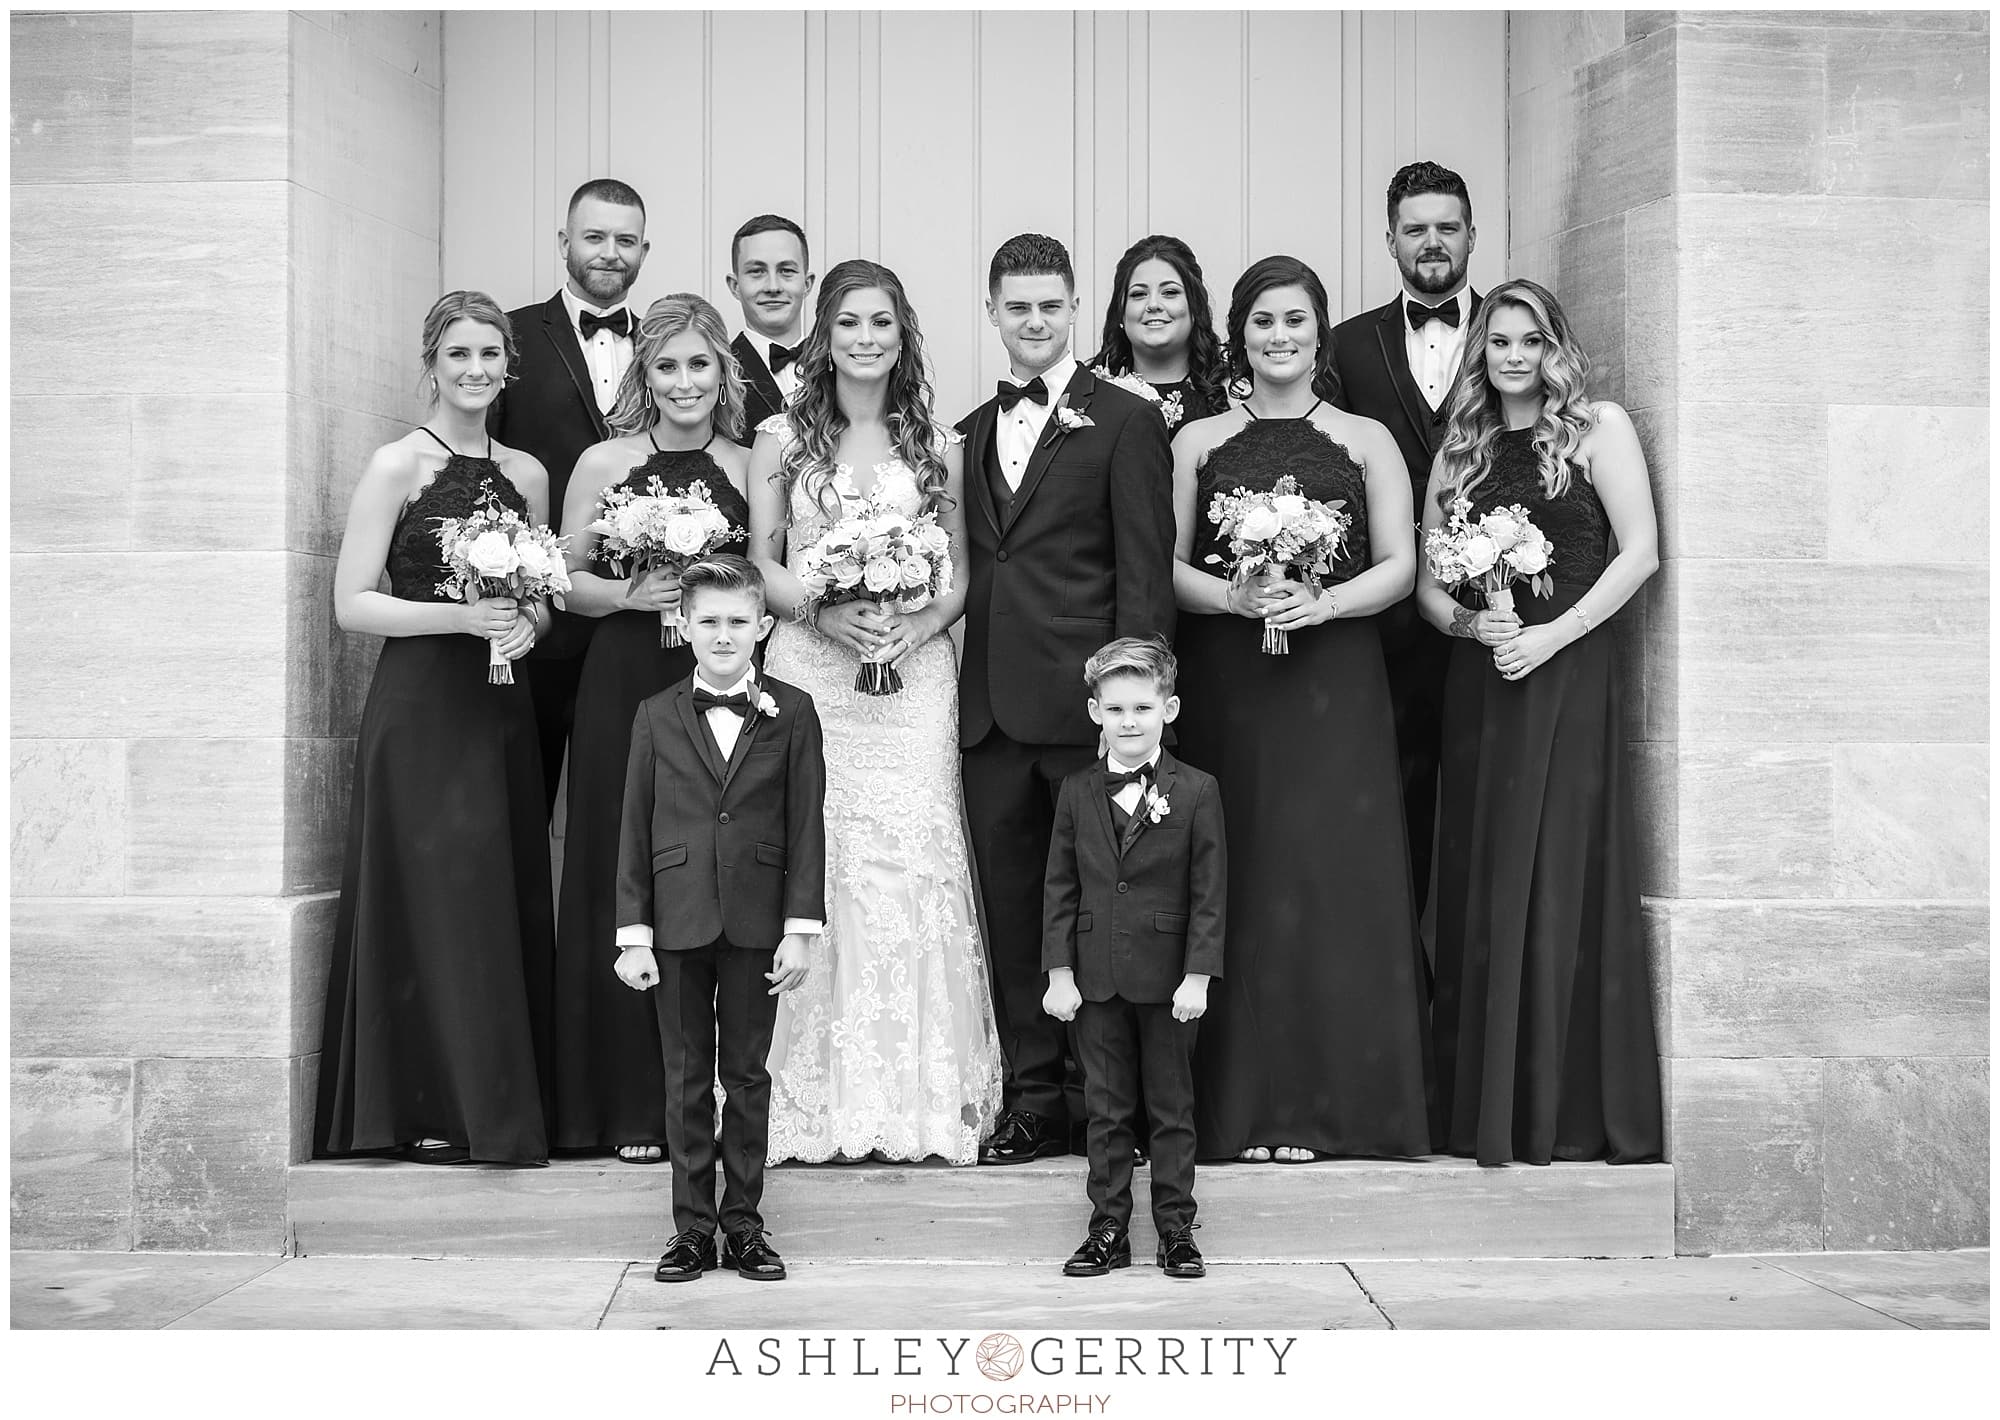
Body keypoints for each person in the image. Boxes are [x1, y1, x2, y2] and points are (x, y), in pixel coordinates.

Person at [1175, 256, 1434, 1163]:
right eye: (1260, 323)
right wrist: (1233, 599)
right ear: (1237, 335)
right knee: (1240, 876)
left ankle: (1340, 1108)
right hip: (1231, 685)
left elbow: (1403, 565)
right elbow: (1167, 567)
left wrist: (1322, 603)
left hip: (1337, 684)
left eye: (1294, 321)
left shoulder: (1367, 438)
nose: (1278, 337)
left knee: (1332, 876)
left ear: (1318, 333)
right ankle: (1246, 1108)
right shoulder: (1198, 441)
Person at [747, 259, 1003, 1164]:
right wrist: (825, 610)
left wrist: (912, 626)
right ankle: (813, 1101)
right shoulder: (780, 438)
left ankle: (917, 1100)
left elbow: (961, 570)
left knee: (912, 861)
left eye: (882, 324)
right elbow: (762, 563)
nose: (865, 339)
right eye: (849, 322)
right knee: (823, 859)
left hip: (913, 675)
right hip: (814, 672)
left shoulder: (941, 440)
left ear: (904, 335)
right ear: (825, 333)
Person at [1417, 278, 1664, 1167]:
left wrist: (1555, 635)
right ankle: (1483, 1107)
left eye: (1532, 341)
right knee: (1484, 876)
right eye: (1499, 342)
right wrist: (1471, 623)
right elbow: (1426, 588)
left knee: (1560, 870)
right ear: (1479, 352)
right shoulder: (1461, 449)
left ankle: (1556, 1108)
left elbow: (1641, 552)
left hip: (1568, 672)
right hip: (1484, 681)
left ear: (1558, 346)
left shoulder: (1600, 428)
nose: (1515, 357)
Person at [315, 291, 555, 1166]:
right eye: (460, 354)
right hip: (419, 708)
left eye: (491, 354)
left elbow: (541, 600)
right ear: (432, 362)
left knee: (493, 894)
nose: (477, 370)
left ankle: (495, 1107)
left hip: (500, 709)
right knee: (428, 894)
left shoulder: (528, 475)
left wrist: (530, 624)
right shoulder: (396, 466)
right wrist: (459, 618)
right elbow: (351, 605)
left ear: (507, 366)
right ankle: (415, 1107)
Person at [957, 233, 1177, 1165]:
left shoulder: (1126, 419)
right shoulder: (966, 429)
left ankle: (1104, 1108)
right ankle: (1032, 1099)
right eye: (1018, 306)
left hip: (1089, 715)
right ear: (994, 312)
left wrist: (1136, 709)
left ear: (1076, 306)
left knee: (1102, 913)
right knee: (1013, 914)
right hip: (988, 719)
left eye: (1051, 304)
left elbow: (1144, 572)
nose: (1035, 320)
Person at [550, 294, 752, 1164]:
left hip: (717, 678)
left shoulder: (752, 463)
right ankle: (621, 1104)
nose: (683, 383)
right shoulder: (604, 461)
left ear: (722, 373)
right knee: (619, 864)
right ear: (643, 375)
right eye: (665, 366)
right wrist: (631, 594)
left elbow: (767, 576)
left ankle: (713, 1097)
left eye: (699, 365)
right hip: (624, 681)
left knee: (710, 869)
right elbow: (561, 580)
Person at [613, 555, 826, 1281]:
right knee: (682, 1077)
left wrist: (801, 927)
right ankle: (691, 1230)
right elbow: (634, 827)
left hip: (758, 921)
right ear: (684, 625)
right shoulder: (654, 713)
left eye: (739, 622)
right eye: (710, 622)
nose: (725, 635)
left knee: (746, 1075)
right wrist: (632, 933)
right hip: (674, 923)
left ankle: (745, 1223)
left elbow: (806, 827)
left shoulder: (793, 711)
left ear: (764, 627)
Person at [1042, 638, 1225, 1281]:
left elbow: (1209, 892)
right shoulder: (1076, 790)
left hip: (1170, 978)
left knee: (1171, 1108)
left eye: (1143, 707)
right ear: (1095, 711)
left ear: (1168, 709)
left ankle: (1176, 1227)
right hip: (1094, 977)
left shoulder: (1198, 791)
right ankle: (1107, 1228)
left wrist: (1198, 975)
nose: (1128, 720)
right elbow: (1060, 886)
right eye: (1115, 707)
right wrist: (1059, 972)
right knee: (1107, 1106)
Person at [1329, 161, 1482, 920]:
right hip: (1382, 624)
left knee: (1488, 800)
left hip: (1492, 613)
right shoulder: (1347, 345)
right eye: (1415, 228)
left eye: (1446, 227)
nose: (1431, 242)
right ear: (1389, 239)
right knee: (1392, 798)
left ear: (1471, 236)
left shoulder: (1512, 332)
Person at [490, 177, 652, 815]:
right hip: (541, 624)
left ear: (644, 249)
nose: (610, 252)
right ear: (564, 242)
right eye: (595, 237)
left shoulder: (670, 348)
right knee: (521, 805)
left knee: (635, 811)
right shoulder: (512, 338)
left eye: (626, 240)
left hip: (648, 623)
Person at [1086, 234, 1230, 437]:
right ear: (1120, 313)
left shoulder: (1231, 392)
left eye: (1170, 292)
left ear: (1195, 307)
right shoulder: (1088, 393)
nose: (1153, 304)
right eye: (1138, 294)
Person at [725, 214, 816, 443]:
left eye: (786, 271)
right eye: (757, 271)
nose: (773, 287)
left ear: (807, 284)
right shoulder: (718, 372)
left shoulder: (840, 365)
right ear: (735, 286)